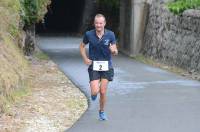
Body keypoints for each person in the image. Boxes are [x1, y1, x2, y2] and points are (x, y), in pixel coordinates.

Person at [79, 14, 118, 121]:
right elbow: (82, 46)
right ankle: (93, 93)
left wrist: (113, 51)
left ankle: (101, 111)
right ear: (94, 23)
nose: (98, 25)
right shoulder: (89, 34)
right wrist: (85, 58)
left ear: (104, 23)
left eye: (101, 23)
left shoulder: (110, 35)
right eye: (97, 23)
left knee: (103, 91)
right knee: (95, 92)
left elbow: (115, 50)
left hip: (107, 66)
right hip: (94, 66)